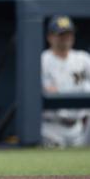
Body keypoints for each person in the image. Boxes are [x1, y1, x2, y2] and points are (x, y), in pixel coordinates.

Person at [41, 15, 90, 147]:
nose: (66, 38)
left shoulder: (83, 59)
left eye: (69, 33)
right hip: (51, 128)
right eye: (61, 34)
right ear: (50, 37)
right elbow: (46, 91)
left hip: (79, 127)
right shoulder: (42, 60)